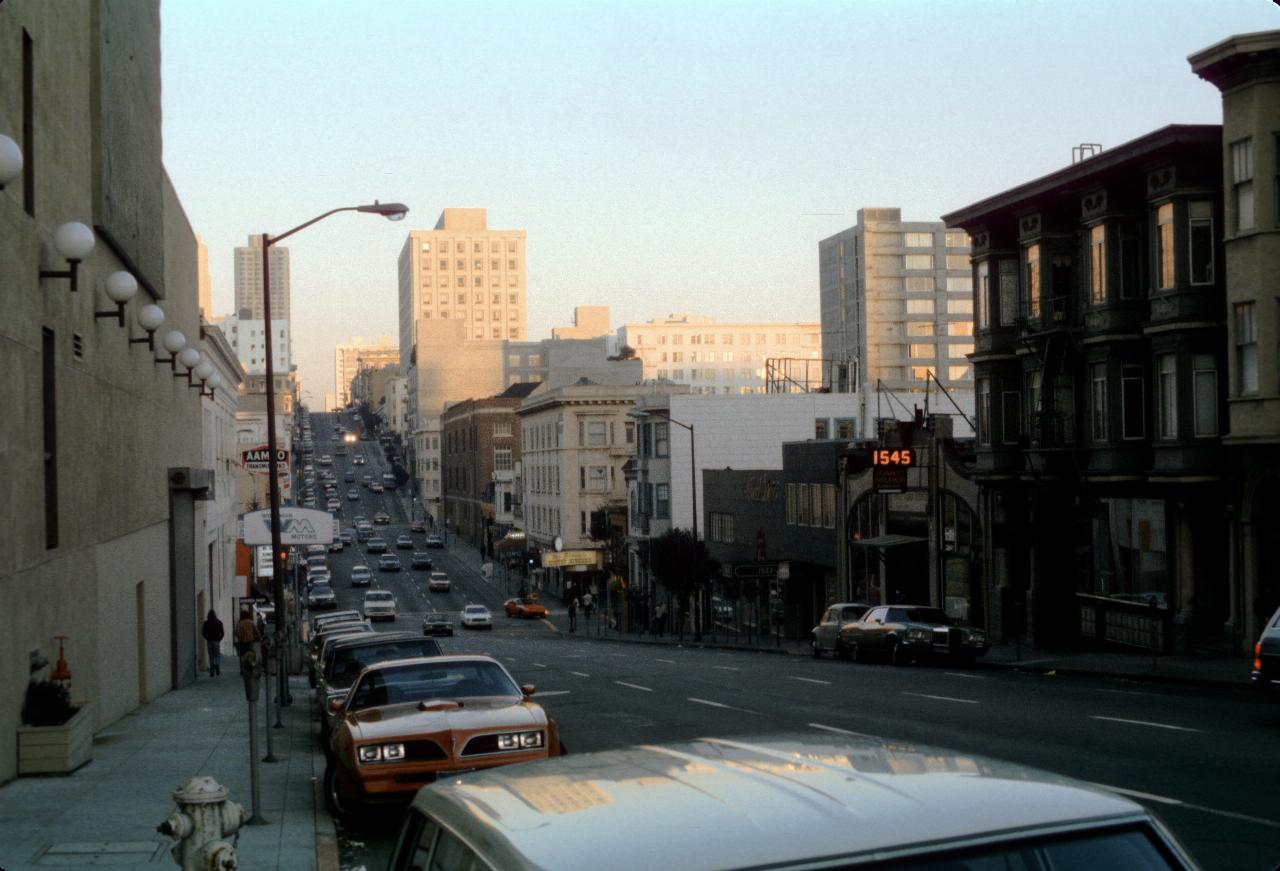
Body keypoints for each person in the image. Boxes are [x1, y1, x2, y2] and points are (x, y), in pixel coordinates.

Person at [201, 609, 225, 677]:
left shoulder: (206, 623)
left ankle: (212, 671)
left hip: (209, 641)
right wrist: (219, 639)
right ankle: (217, 665)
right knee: (217, 655)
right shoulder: (219, 622)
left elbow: (203, 632)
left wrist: (207, 638)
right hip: (216, 641)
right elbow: (222, 632)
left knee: (211, 656)